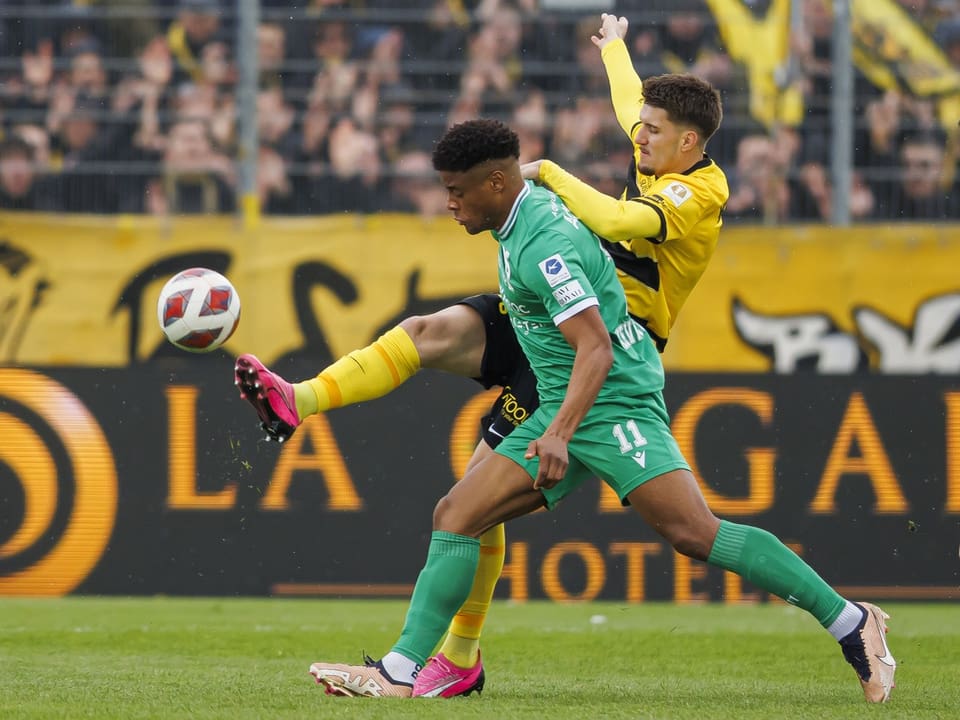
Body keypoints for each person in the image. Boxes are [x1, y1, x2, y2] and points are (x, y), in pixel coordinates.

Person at [235, 16, 894, 705]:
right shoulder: (562, 207)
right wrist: (613, 47)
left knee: (692, 533)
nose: (638, 136)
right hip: (558, 346)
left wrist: (546, 171)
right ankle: (403, 660)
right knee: (452, 465)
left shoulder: (684, 195)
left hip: (608, 369)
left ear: (690, 141)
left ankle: (852, 621)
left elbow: (613, 249)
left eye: (654, 131)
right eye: (640, 127)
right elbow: (628, 102)